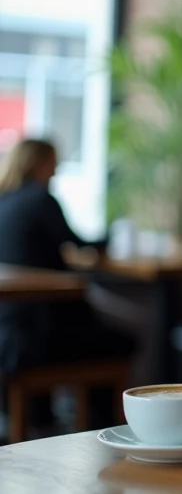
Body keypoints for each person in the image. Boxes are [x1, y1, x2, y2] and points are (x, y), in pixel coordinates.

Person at [0, 138, 136, 433]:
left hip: (8, 327)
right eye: (54, 161)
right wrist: (114, 236)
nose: (58, 168)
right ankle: (104, 431)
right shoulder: (41, 198)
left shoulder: (5, 201)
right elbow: (78, 243)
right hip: (36, 331)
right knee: (121, 338)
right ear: (40, 163)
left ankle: (43, 420)